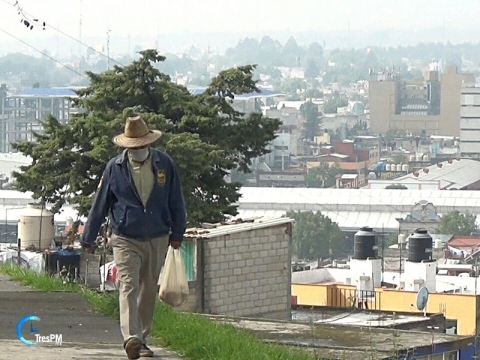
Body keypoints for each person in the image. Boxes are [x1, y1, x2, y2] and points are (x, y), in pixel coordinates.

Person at [81, 115, 187, 360]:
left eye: (141, 146)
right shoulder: (114, 168)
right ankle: (131, 338)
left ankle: (142, 339)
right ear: (126, 147)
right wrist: (88, 237)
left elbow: (176, 200)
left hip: (158, 235)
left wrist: (177, 233)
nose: (137, 150)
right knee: (128, 284)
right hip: (125, 236)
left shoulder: (164, 164)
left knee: (148, 288)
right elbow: (100, 204)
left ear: (148, 144)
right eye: (133, 146)